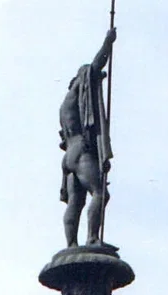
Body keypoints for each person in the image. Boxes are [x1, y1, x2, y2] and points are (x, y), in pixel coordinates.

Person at [58, 25, 117, 247]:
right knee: (101, 193)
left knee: (76, 201)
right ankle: (92, 238)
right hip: (82, 151)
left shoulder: (65, 106)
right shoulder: (79, 87)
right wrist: (108, 42)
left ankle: (71, 245)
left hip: (69, 155)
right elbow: (95, 65)